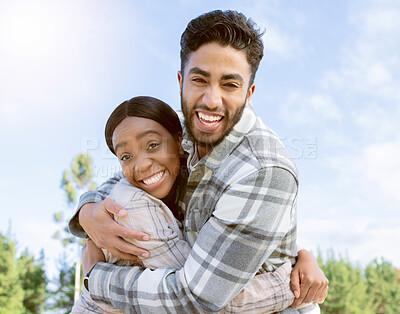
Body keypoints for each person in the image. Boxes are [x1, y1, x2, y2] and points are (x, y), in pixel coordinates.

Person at [69, 10, 329, 313]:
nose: (211, 100)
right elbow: (130, 173)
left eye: (230, 85)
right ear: (181, 82)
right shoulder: (185, 132)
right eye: (199, 79)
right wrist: (88, 212)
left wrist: (96, 279)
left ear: (249, 93)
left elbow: (196, 300)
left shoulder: (263, 170)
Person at [71, 96, 298, 313]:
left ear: (180, 143)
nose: (141, 165)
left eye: (152, 145)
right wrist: (287, 285)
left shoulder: (196, 173)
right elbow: (199, 300)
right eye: (126, 156)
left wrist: (299, 255)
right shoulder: (134, 205)